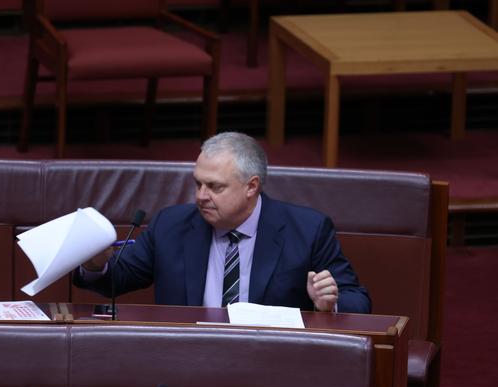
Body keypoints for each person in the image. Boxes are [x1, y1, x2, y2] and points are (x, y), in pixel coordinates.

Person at [74, 132, 371, 313]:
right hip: (187, 360)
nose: (201, 196)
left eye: (215, 187)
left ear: (251, 187)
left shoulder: (307, 230)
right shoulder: (171, 225)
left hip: (271, 364)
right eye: (198, 183)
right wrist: (94, 263)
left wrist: (329, 303)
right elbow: (118, 278)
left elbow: (358, 301)